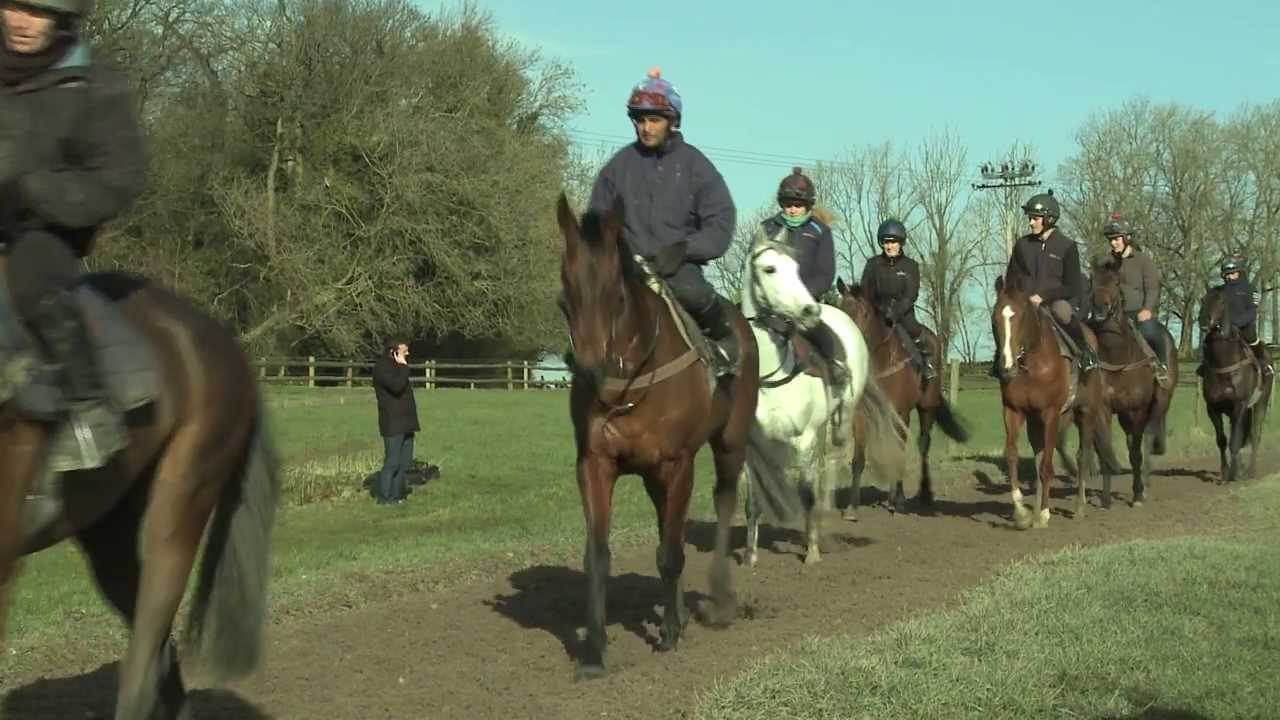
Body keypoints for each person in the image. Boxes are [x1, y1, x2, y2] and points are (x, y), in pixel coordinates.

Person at [0, 0, 147, 466]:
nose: (21, 21)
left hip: (47, 230)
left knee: (33, 276)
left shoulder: (94, 85)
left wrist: (31, 191)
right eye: (12, 6)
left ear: (63, 18)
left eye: (37, 11)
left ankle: (90, 408)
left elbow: (121, 178)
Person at [588, 67, 739, 376]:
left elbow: (721, 223)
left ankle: (725, 342)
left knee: (693, 292)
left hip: (677, 267)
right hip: (626, 270)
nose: (646, 128)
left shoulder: (696, 166)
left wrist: (685, 249)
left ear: (672, 122)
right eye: (640, 120)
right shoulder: (617, 168)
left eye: (654, 120)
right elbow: (596, 222)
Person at [754, 167, 845, 386]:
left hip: (804, 302)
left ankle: (834, 366)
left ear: (808, 206)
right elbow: (754, 263)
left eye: (798, 205)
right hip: (770, 302)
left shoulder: (820, 231)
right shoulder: (767, 228)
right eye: (788, 205)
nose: (793, 210)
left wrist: (801, 297)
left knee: (821, 333)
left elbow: (826, 274)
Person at [997, 190, 1097, 375]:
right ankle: (1001, 358)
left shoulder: (1067, 246)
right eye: (1030, 218)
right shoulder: (1022, 245)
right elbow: (1012, 278)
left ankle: (1085, 352)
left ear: (1049, 219)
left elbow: (1073, 286)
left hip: (1055, 302)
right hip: (1026, 303)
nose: (1030, 222)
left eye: (1035, 218)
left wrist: (1044, 296)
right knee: (1005, 317)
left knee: (1064, 312)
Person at [860, 219, 936, 379]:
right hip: (877, 311)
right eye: (886, 242)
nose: (890, 246)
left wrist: (895, 312)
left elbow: (911, 294)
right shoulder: (873, 265)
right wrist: (876, 308)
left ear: (900, 243)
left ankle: (925, 362)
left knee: (913, 328)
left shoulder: (911, 266)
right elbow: (865, 290)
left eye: (893, 242)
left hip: (903, 312)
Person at [1101, 213, 1170, 379]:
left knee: (1152, 333)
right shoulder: (1106, 262)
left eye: (1117, 239)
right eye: (1111, 239)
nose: (1113, 243)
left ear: (1127, 238)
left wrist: (1147, 309)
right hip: (1114, 315)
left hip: (1138, 312)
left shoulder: (1143, 261)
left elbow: (1152, 288)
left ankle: (1162, 365)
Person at [1200, 256, 1273, 378]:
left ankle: (1263, 363)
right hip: (1222, 326)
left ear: (1239, 272)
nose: (1229, 276)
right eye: (1226, 274)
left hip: (1243, 326)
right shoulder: (1217, 291)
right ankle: (1205, 365)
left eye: (1232, 273)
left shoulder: (1249, 289)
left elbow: (1252, 311)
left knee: (1252, 338)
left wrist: (1237, 323)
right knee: (1208, 341)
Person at [372, 339, 420, 505]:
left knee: (405, 462)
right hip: (392, 422)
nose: (407, 353)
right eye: (404, 350)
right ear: (393, 352)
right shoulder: (382, 368)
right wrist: (404, 367)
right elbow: (396, 386)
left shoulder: (398, 367)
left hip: (406, 422)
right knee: (392, 461)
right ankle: (385, 497)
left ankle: (397, 495)